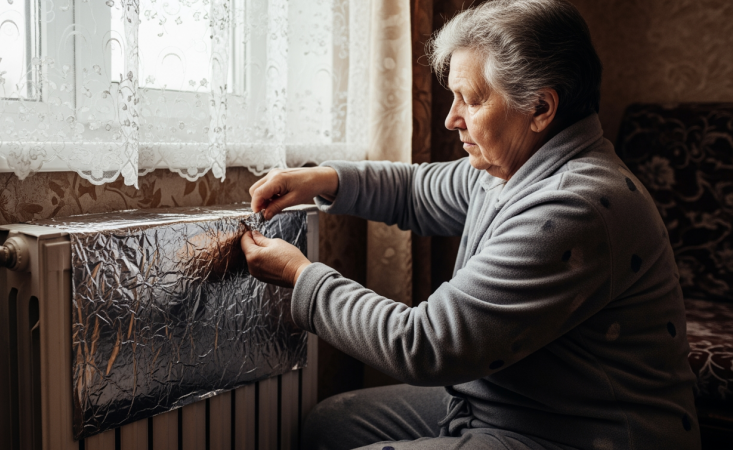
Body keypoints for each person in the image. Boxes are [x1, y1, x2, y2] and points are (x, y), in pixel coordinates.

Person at [239, 0, 699, 448]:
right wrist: (325, 178)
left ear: (540, 107)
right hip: (502, 401)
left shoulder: (573, 208)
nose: (450, 118)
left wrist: (301, 277)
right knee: (331, 424)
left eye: (471, 100)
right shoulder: (511, 166)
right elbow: (416, 190)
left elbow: (424, 345)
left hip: (566, 429)